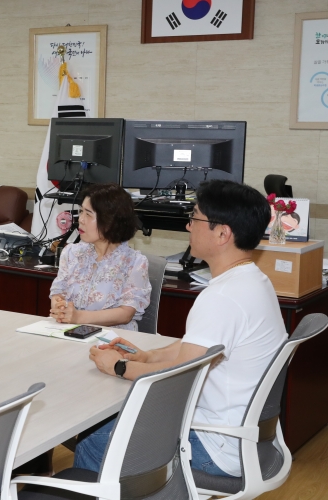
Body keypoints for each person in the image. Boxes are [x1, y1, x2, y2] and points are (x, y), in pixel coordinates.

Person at [82, 180, 287, 478]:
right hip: (247, 437)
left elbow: (178, 378)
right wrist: (149, 357)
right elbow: (199, 345)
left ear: (222, 233)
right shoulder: (253, 281)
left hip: (217, 445)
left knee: (93, 441)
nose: (188, 226)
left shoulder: (221, 297)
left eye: (194, 218)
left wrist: (119, 366)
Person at [49, 183, 151, 330]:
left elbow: (125, 314)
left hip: (113, 338)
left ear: (110, 221)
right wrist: (60, 307)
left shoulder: (135, 262)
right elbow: (58, 292)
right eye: (81, 211)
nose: (81, 219)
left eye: (88, 214)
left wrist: (78, 317)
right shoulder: (71, 253)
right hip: (69, 332)